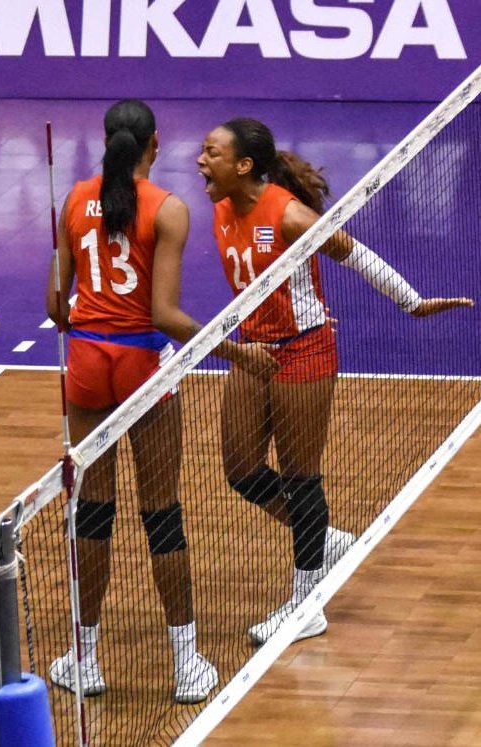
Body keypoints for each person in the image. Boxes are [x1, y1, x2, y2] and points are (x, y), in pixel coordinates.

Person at [196, 117, 473, 644]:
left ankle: (306, 605)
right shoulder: (221, 208)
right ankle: (323, 537)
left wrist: (412, 304)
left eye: (212, 153)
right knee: (241, 469)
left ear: (244, 165)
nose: (201, 160)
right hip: (253, 351)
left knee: (301, 478)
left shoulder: (291, 215)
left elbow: (354, 254)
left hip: (304, 350)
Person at [45, 100, 278, 704]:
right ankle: (185, 662)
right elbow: (165, 316)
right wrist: (240, 352)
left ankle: (84, 658)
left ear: (105, 140)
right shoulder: (169, 209)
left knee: (92, 513)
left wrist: (63, 271)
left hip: (89, 365)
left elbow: (54, 306)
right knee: (162, 512)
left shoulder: (73, 199)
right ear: (154, 144)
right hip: (142, 365)